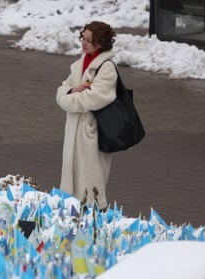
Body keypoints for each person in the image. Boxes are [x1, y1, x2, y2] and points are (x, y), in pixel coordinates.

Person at [56, 21, 117, 210]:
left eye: (89, 40)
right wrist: (74, 90)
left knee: (90, 184)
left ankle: (93, 220)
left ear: (100, 43)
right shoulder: (78, 65)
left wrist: (70, 98)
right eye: (83, 38)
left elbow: (94, 99)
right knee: (71, 182)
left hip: (92, 133)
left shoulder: (107, 68)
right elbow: (61, 91)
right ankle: (72, 214)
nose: (84, 43)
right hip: (74, 131)